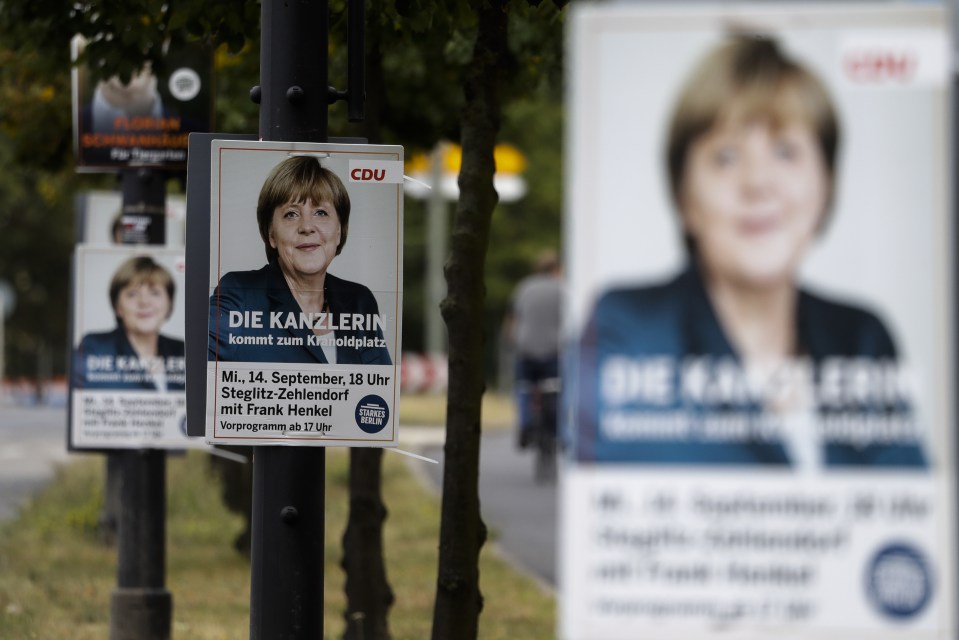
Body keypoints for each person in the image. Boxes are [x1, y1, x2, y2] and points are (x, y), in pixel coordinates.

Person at [575, 35, 926, 468]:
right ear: (683, 195)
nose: (758, 182)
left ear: (827, 184)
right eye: (725, 157)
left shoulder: (863, 337)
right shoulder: (626, 329)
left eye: (786, 152)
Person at [209, 155, 391, 365]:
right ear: (272, 235)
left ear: (339, 231)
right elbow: (198, 374)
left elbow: (379, 391)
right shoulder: (239, 295)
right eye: (291, 214)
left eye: (320, 212)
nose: (307, 226)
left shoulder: (359, 301)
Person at [73, 256, 186, 391]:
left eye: (155, 293)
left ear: (169, 304)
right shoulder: (94, 348)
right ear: (118, 306)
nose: (144, 302)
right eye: (132, 294)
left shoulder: (182, 351)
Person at [507, 250, 563, 448]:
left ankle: (525, 425)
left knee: (524, 388)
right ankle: (558, 432)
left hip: (526, 349)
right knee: (557, 390)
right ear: (556, 269)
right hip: (553, 351)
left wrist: (515, 340)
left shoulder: (524, 287)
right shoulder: (562, 290)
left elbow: (513, 321)